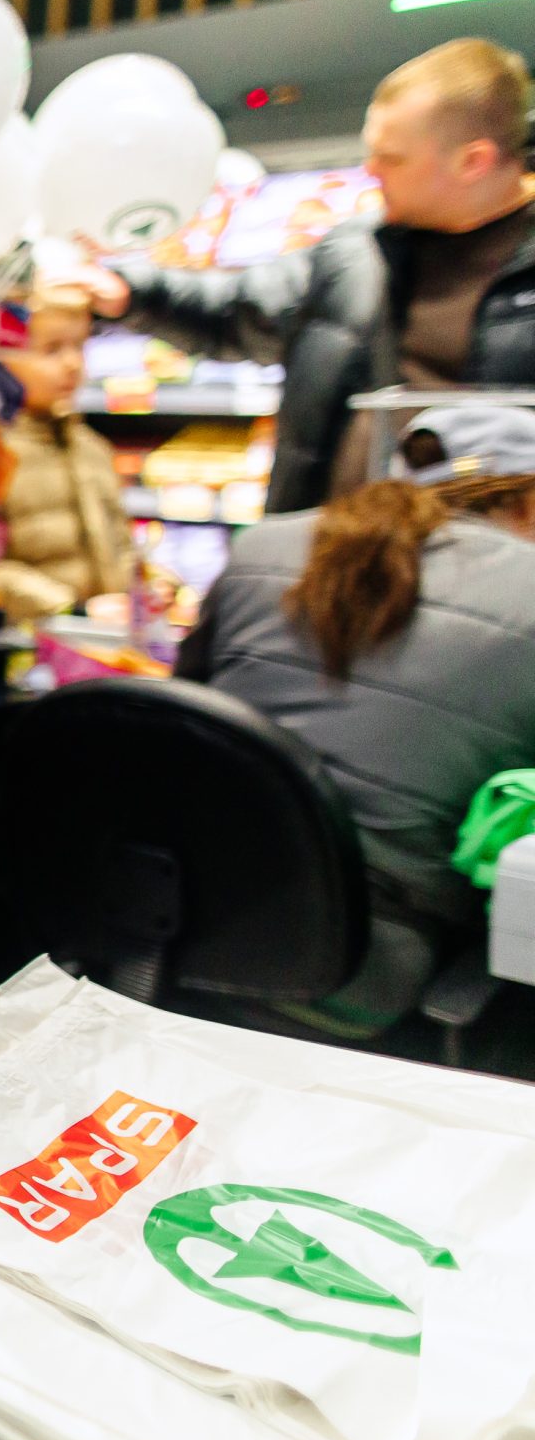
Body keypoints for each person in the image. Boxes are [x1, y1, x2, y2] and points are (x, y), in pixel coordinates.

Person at [176, 404, 535, 1033]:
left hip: (191, 915)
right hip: (373, 961)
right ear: (526, 500)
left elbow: (183, 715)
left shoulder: (264, 544)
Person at [68, 39, 535, 516]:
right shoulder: (355, 253)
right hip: (334, 546)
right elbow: (237, 308)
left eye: (392, 159)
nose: (369, 171)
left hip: (483, 554)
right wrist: (130, 293)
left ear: (473, 162)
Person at [0, 286, 136, 623]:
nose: (73, 364)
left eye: (79, 346)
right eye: (51, 350)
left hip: (100, 640)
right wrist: (73, 609)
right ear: (3, 357)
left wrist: (144, 586)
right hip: (28, 641)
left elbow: (121, 545)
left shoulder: (93, 448)